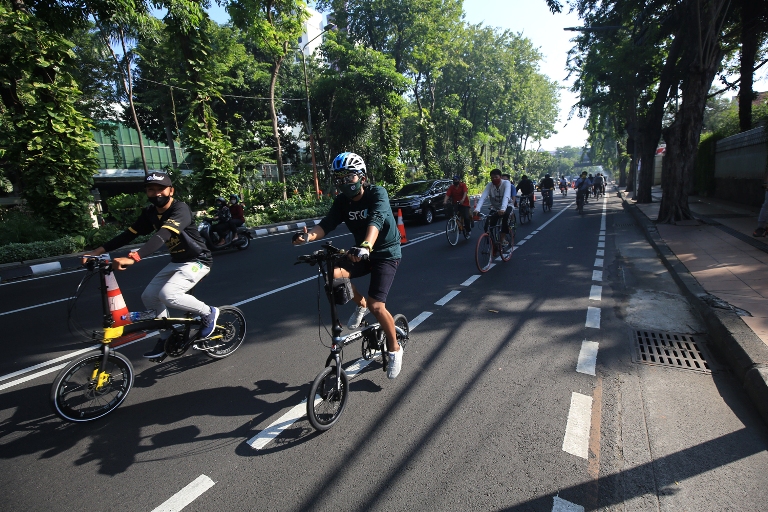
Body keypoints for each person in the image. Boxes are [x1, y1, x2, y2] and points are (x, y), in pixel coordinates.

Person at [292, 152, 404, 379]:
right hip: (361, 253)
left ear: (362, 177)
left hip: (385, 253)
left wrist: (365, 245)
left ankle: (394, 349)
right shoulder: (342, 202)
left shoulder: (377, 193)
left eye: (349, 177)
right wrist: (307, 238)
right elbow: (326, 225)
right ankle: (360, 305)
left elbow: (377, 220)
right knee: (333, 275)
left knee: (377, 306)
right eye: (339, 179)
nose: (344, 183)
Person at [85, 172, 218, 359]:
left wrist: (135, 257)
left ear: (171, 190)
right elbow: (129, 235)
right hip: (178, 262)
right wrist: (97, 251)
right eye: (151, 190)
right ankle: (167, 337)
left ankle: (209, 312)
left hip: (198, 261)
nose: (157, 194)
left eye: (161, 189)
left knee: (168, 295)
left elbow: (162, 235)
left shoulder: (180, 209)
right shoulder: (150, 213)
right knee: (149, 296)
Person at [474, 168, 514, 248]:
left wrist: (503, 209)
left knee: (505, 219)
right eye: (492, 178)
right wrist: (477, 209)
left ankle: (502, 239)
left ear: (500, 177)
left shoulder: (506, 183)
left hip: (507, 206)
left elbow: (506, 196)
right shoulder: (490, 185)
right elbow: (483, 197)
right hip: (495, 208)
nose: (494, 179)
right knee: (487, 226)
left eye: (496, 177)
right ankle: (492, 245)